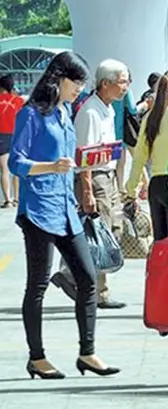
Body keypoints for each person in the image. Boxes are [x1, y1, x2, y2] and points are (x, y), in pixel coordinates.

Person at [8, 51, 120, 379]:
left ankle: (88, 353)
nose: (79, 90)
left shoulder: (65, 111)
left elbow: (69, 157)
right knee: (38, 285)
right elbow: (17, 162)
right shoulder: (31, 114)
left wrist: (89, 159)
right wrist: (50, 167)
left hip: (66, 208)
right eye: (77, 83)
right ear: (58, 79)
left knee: (87, 278)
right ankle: (37, 357)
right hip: (39, 210)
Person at [50, 59, 130, 309]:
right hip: (94, 179)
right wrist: (87, 191)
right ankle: (81, 281)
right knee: (98, 232)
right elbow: (83, 155)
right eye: (122, 82)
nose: (126, 87)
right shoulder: (90, 112)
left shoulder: (108, 108)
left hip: (106, 177)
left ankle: (89, 284)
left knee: (108, 230)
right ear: (105, 84)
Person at [123, 69, 168, 241]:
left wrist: (131, 189)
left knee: (161, 245)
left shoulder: (150, 117)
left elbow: (139, 157)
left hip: (156, 185)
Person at [0, 74, 23, 208]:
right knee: (17, 169)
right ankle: (18, 198)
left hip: (1, 136)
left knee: (5, 170)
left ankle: (8, 199)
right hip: (16, 135)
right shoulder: (18, 101)